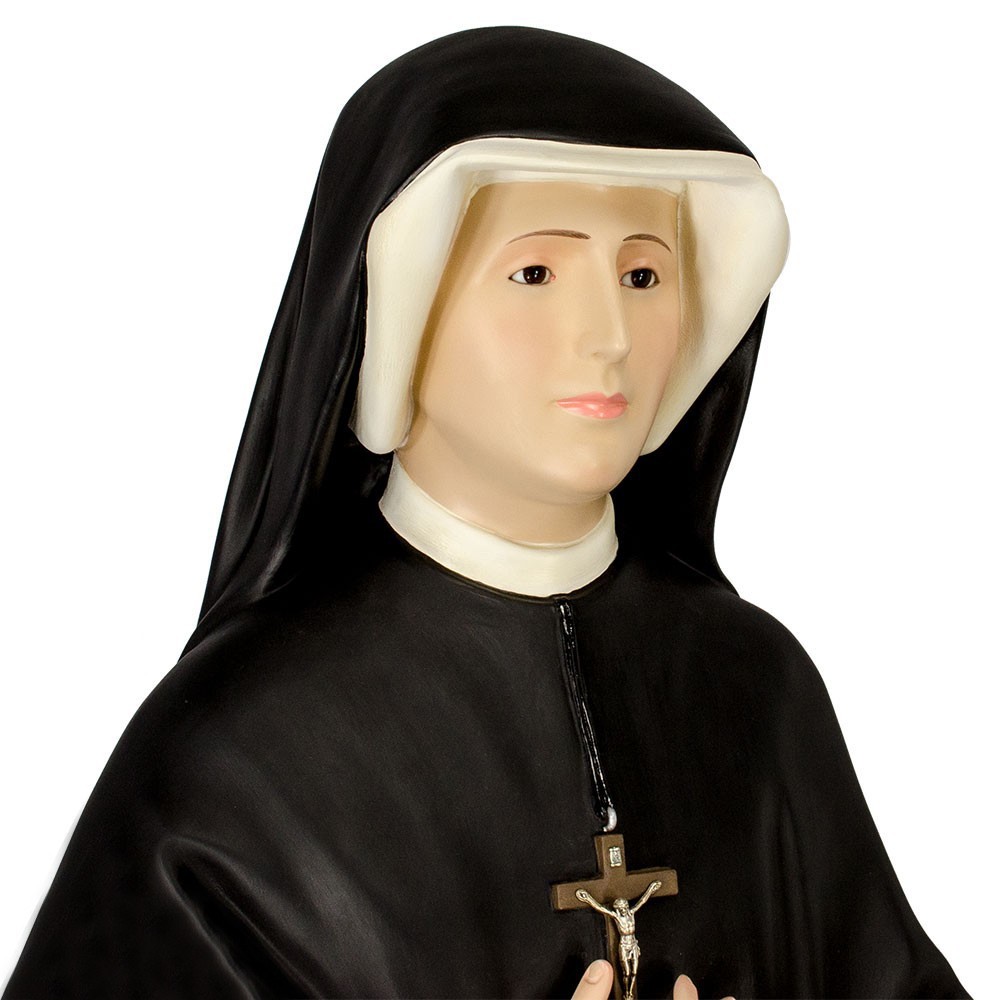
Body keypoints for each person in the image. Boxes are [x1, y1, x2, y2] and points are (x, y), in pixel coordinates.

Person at [3, 27, 969, 999]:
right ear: (402, 308)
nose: (608, 337)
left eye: (643, 275)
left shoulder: (754, 692)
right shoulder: (232, 755)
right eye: (535, 274)